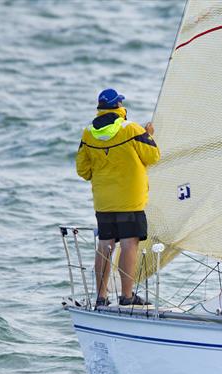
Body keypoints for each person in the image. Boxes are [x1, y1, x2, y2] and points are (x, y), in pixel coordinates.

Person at [76, 88, 161, 306]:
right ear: (118, 106)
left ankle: (101, 297)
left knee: (105, 245)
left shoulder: (87, 133)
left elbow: (83, 171)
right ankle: (126, 296)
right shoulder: (131, 129)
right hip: (130, 200)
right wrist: (148, 134)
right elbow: (153, 156)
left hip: (104, 202)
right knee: (129, 244)